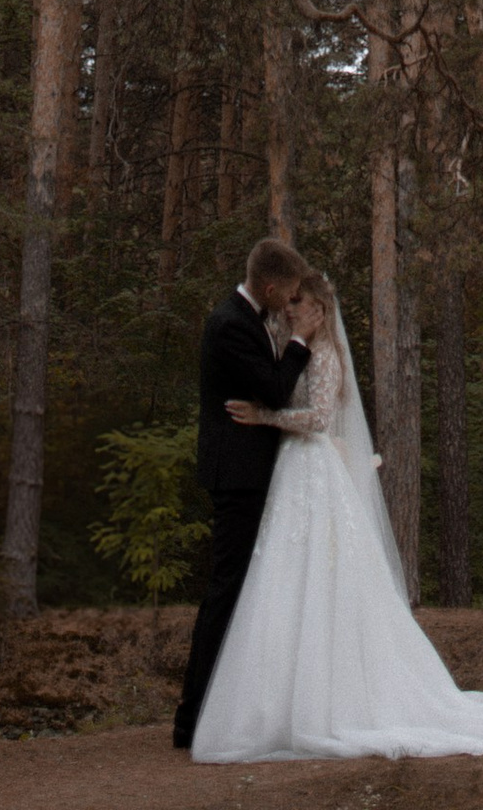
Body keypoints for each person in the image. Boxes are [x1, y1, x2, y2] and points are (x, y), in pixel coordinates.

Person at [189, 271, 483, 765]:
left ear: (319, 310)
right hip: (294, 474)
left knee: (323, 577)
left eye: (299, 302)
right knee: (284, 580)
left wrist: (266, 417)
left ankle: (328, 705)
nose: (290, 309)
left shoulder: (324, 355)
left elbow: (318, 419)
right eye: (290, 301)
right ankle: (276, 703)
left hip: (312, 468)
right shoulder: (292, 347)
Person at [173, 235, 314, 751]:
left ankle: (217, 710)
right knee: (226, 591)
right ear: (271, 286)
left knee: (240, 591)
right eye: (291, 290)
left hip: (247, 472)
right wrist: (301, 343)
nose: (294, 300)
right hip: (236, 475)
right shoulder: (231, 323)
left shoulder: (247, 317)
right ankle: (191, 720)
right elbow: (275, 390)